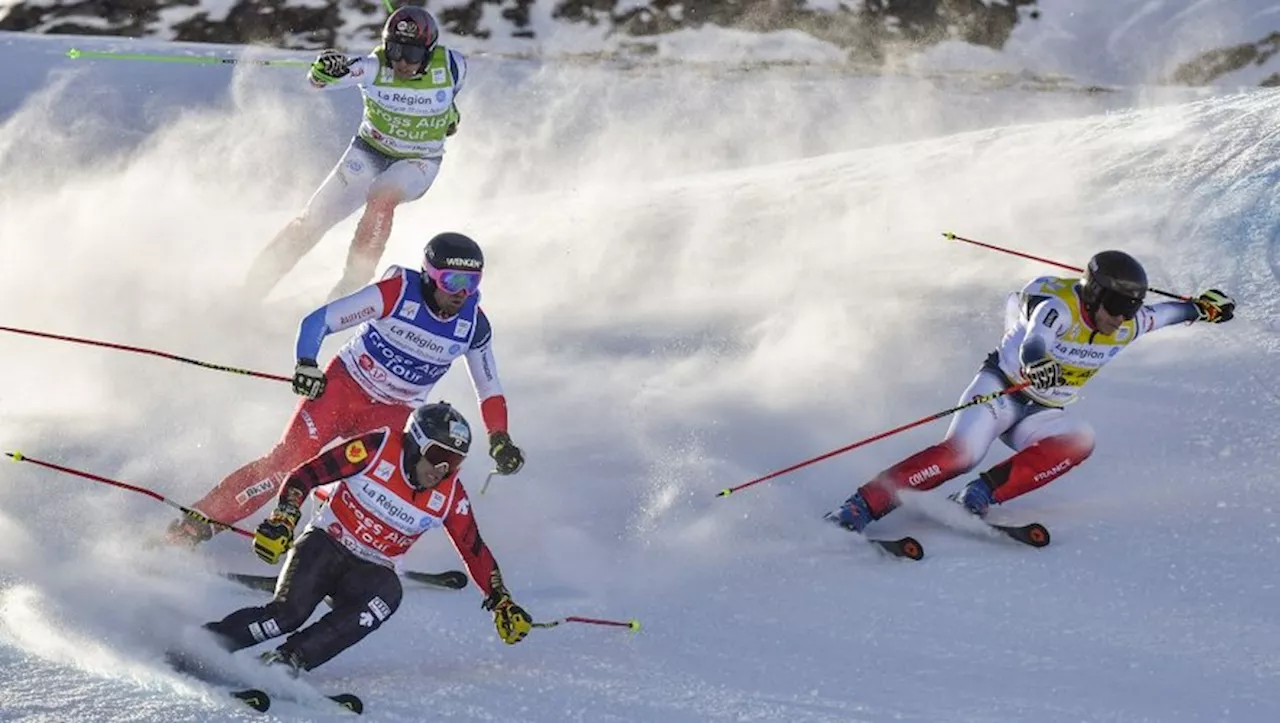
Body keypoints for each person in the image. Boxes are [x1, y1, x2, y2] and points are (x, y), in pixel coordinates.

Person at [826, 250, 1236, 531]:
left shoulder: (1127, 323)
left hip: (1042, 412)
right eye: (1115, 305)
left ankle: (979, 495)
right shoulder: (1058, 308)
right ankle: (860, 507)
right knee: (960, 454)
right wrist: (1037, 363)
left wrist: (1204, 308)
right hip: (1000, 391)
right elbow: (1035, 340)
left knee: (1080, 440)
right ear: (1094, 295)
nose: (1121, 318)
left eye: (1130, 307)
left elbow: (1168, 313)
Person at [166, 231, 525, 546]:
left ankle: (322, 548)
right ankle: (194, 527)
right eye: (452, 281)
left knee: (368, 486)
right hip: (343, 389)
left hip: (392, 414)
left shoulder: (473, 326)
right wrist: (307, 363)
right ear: (430, 277)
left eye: (471, 283)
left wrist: (500, 438)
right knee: (288, 462)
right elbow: (319, 321)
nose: (461, 294)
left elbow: (489, 388)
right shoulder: (397, 293)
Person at [201, 401, 533, 672]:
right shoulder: (375, 448)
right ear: (415, 444)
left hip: (368, 571)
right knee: (287, 615)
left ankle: (290, 660)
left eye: (454, 461)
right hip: (326, 544)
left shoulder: (450, 496)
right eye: (438, 457)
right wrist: (283, 519)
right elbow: (305, 475)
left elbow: (473, 548)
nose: (442, 470)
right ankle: (207, 644)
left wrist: (501, 600)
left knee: (388, 594)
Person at [245, 6, 468, 301]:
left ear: (429, 51)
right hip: (370, 151)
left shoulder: (454, 65)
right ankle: (249, 292)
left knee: (382, 200)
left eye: (412, 55)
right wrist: (324, 68)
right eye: (395, 50)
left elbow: (451, 97)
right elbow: (318, 82)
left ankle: (345, 296)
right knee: (311, 221)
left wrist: (449, 117)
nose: (401, 62)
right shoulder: (375, 66)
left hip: (418, 161)